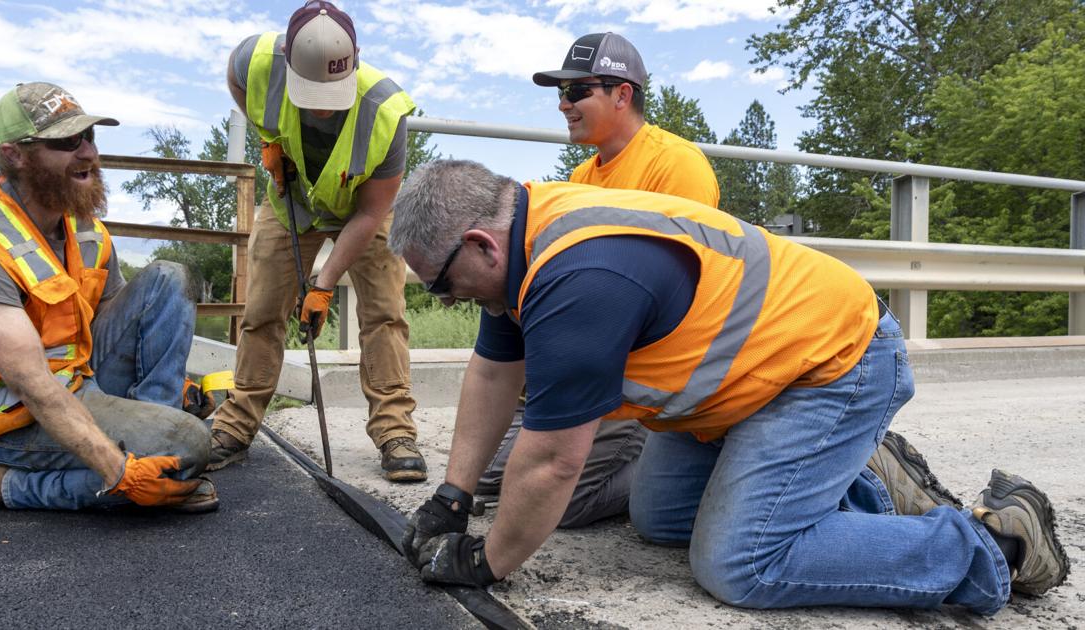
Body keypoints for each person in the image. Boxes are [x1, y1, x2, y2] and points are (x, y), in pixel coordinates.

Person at [392, 159, 1069, 612]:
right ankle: (860, 479)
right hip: (750, 385)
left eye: (442, 284)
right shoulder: (526, 244)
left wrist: (486, 562)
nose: (446, 299)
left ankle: (997, 546)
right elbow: (490, 371)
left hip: (833, 364)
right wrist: (452, 497)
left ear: (482, 243)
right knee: (661, 522)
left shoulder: (580, 278)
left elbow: (553, 461)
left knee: (739, 564)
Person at [480, 32, 952, 529]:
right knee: (502, 481)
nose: (562, 105)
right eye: (559, 93)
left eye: (577, 92)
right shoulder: (582, 178)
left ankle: (841, 471)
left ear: (623, 94)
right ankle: (743, 473)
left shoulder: (675, 165)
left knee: (555, 497)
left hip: (650, 371)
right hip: (611, 367)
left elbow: (685, 294)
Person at [0, 82, 216, 512]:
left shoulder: (84, 229)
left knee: (169, 277)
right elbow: (33, 384)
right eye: (67, 141)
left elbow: (114, 325)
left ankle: (159, 446)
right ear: (15, 155)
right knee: (190, 445)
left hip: (79, 383)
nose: (89, 153)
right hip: (14, 423)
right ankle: (6, 484)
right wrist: (119, 473)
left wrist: (166, 393)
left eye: (90, 137)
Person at [211, 0, 426, 482]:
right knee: (262, 313)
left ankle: (396, 432)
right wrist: (268, 137)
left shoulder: (387, 112)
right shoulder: (256, 60)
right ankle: (235, 426)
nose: (324, 104)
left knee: (384, 317)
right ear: (288, 60)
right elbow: (235, 76)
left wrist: (323, 284)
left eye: (334, 90)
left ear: (354, 61)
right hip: (293, 202)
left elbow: (371, 212)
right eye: (311, 92)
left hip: (361, 209)